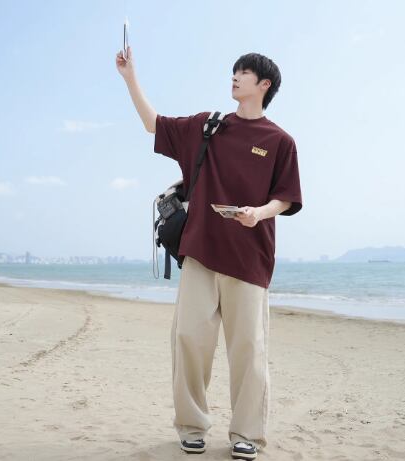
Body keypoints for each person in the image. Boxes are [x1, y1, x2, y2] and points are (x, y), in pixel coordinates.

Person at [116, 46, 302, 460]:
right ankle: (192, 426)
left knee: (249, 350)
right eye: (234, 71)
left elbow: (286, 197)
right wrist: (130, 77)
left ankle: (247, 434)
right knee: (188, 341)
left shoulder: (280, 141)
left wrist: (259, 213)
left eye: (244, 72)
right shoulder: (208, 127)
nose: (235, 76)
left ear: (264, 84)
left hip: (250, 260)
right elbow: (153, 123)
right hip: (200, 254)